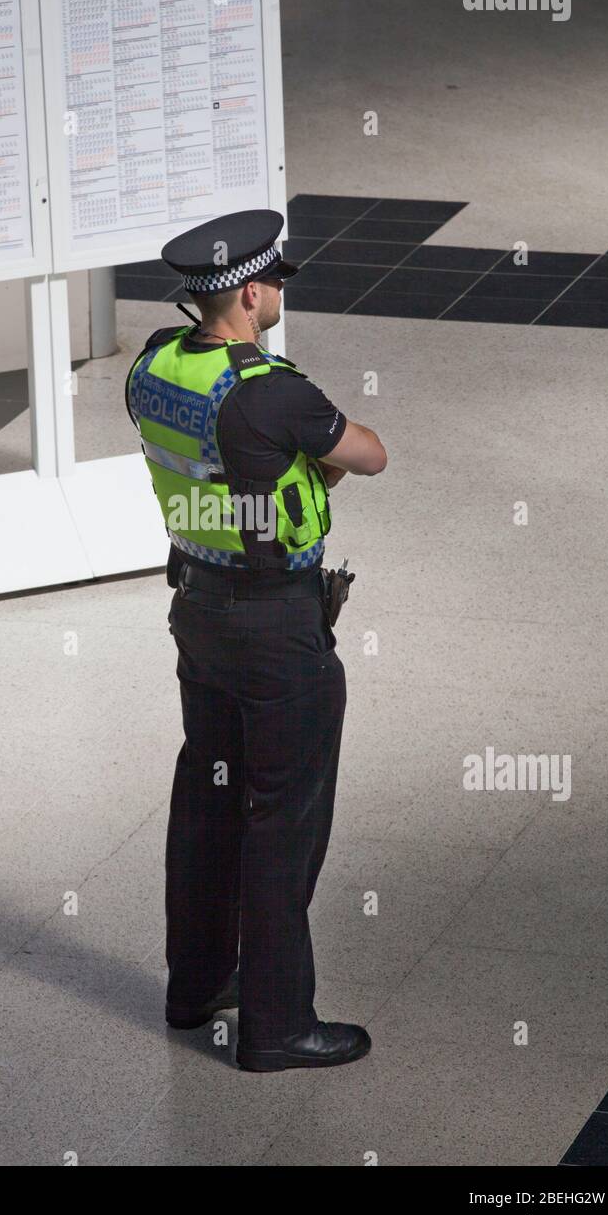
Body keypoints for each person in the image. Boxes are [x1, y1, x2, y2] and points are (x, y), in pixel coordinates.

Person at [125, 209, 387, 1071]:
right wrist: (306, 458)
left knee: (207, 800)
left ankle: (196, 987)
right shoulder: (272, 390)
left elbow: (217, 464)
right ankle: (277, 1027)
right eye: (274, 282)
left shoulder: (153, 366)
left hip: (198, 609)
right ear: (247, 292)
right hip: (276, 628)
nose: (277, 294)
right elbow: (370, 454)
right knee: (283, 821)